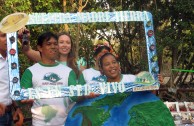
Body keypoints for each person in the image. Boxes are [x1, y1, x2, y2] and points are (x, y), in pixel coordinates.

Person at [20, 31, 78, 126]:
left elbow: (75, 96)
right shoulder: (30, 72)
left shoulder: (68, 72)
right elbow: (21, 97)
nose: (53, 46)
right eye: (48, 44)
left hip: (65, 123)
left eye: (55, 44)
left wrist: (87, 93)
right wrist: (24, 98)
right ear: (39, 48)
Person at [0, 31, 24, 126]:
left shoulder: (11, 59)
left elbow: (9, 87)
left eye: (9, 35)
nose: (7, 39)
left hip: (9, 113)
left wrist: (16, 108)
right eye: (2, 36)